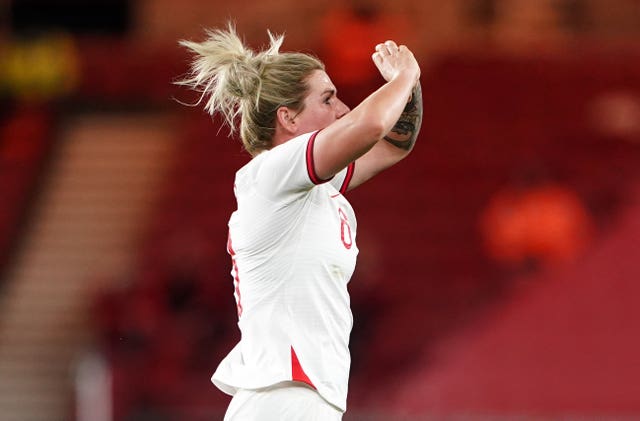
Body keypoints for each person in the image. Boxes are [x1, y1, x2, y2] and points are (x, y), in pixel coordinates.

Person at [177, 23, 422, 420]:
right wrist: (405, 75)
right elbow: (371, 125)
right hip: (283, 395)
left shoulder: (313, 189)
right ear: (288, 118)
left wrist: (411, 84)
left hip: (301, 397)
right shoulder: (272, 173)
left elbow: (395, 143)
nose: (341, 109)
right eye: (328, 99)